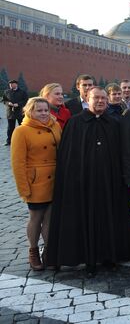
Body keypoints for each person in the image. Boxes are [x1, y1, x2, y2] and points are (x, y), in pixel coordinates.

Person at [47, 87, 130, 276]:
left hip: (109, 184)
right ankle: (88, 260)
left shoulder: (114, 123)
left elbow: (122, 153)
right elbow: (68, 157)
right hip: (83, 185)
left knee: (109, 220)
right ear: (87, 99)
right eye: (96, 98)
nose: (100, 101)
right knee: (85, 220)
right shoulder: (75, 123)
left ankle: (110, 257)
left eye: (104, 98)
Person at [11, 97, 62, 270]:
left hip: (55, 178)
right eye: (39, 110)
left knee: (50, 218)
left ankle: (49, 251)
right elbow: (18, 163)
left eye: (46, 110)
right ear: (29, 111)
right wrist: (24, 188)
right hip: (36, 181)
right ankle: (33, 250)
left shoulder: (55, 126)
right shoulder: (22, 131)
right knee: (36, 218)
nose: (43, 113)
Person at [3, 79, 28, 145]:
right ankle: (9, 141)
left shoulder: (22, 92)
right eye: (10, 84)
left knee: (22, 127)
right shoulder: (6, 92)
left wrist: (18, 104)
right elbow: (4, 100)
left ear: (16, 84)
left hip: (20, 112)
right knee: (10, 128)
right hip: (10, 113)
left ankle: (24, 140)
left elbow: (26, 100)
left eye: (12, 84)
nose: (11, 85)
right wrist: (8, 103)